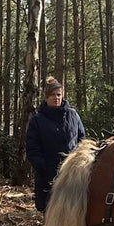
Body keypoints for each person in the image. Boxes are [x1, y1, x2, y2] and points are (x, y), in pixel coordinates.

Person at [25, 76, 87, 213]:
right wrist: (43, 166)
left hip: (72, 172)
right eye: (52, 95)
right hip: (48, 174)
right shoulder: (37, 120)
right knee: (50, 210)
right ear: (46, 98)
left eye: (59, 95)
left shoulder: (73, 115)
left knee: (72, 209)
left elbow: (82, 140)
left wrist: (79, 163)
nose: (56, 98)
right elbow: (32, 148)